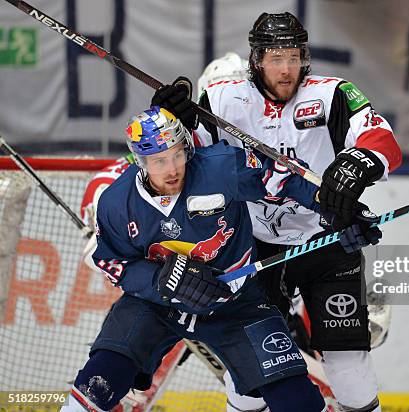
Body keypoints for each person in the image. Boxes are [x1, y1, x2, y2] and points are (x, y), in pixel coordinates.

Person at [152, 11, 402, 412]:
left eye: (293, 57)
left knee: (350, 368)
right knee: (246, 374)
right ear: (256, 60)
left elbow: (383, 139)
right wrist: (171, 122)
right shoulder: (221, 99)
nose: (286, 69)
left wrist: (357, 162)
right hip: (252, 247)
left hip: (325, 242)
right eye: (275, 58)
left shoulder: (334, 94)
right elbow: (182, 162)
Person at [62, 106, 381, 412]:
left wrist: (338, 211)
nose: (172, 169)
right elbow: (113, 263)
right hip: (156, 307)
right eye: (159, 161)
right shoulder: (117, 203)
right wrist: (160, 281)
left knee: (298, 401)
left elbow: (284, 179)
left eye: (176, 154)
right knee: (100, 380)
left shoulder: (221, 167)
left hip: (237, 304)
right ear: (141, 161)